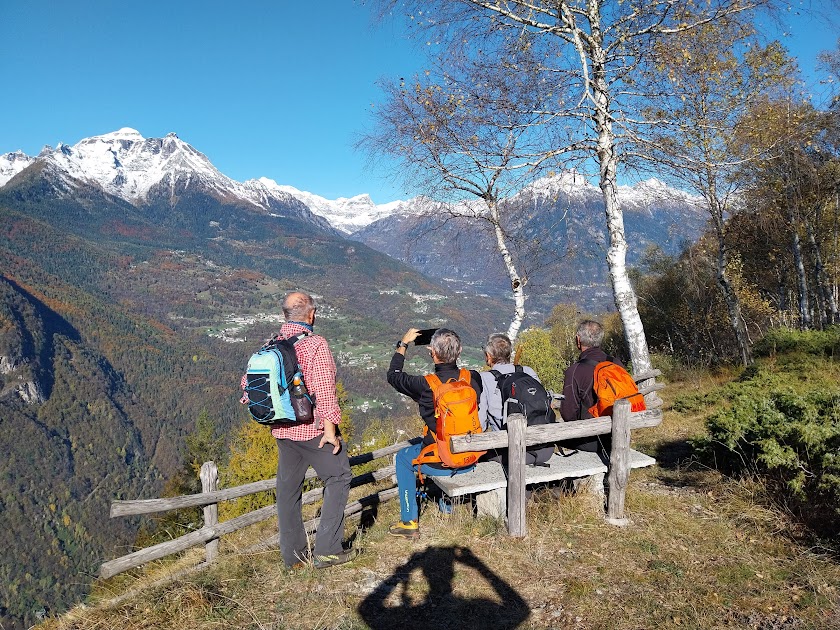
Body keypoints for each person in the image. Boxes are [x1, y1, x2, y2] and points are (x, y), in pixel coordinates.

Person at [246, 292, 355, 569]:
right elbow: (325, 391)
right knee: (339, 477)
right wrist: (330, 429)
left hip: (282, 431)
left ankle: (294, 559)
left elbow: (247, 387)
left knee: (288, 491)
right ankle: (328, 551)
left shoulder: (270, 345)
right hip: (312, 431)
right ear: (312, 314)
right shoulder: (315, 344)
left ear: (285, 315)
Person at [386, 327, 484, 539]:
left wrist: (403, 344)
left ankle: (409, 521)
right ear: (460, 351)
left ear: (432, 353)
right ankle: (446, 507)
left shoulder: (424, 385)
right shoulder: (473, 378)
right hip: (470, 458)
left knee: (403, 458)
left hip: (442, 462)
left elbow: (393, 376)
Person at [479, 333, 554, 465]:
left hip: (510, 453)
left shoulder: (484, 378)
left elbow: (481, 424)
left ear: (488, 356)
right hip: (544, 449)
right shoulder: (527, 371)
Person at [560, 319, 619, 455]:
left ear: (578, 340)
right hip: (619, 435)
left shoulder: (575, 371)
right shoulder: (616, 363)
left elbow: (568, 414)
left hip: (591, 440)